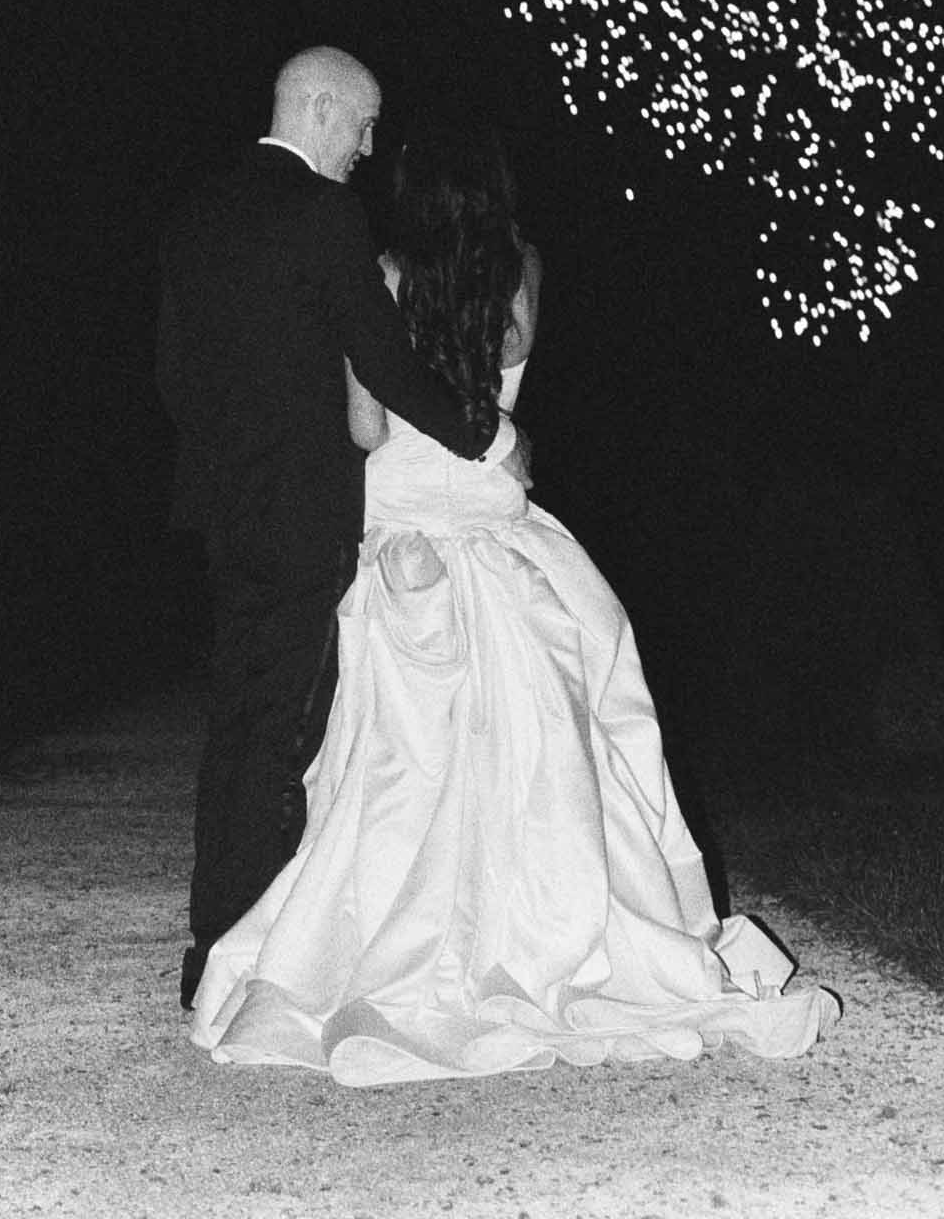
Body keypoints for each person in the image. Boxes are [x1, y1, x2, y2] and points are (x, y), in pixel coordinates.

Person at [190, 119, 841, 1082]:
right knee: (555, 736)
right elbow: (508, 378)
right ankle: (562, 937)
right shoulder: (524, 270)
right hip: (497, 516)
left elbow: (367, 424)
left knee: (401, 757)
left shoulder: (385, 270)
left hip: (406, 516)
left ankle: (372, 948)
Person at [156, 50, 494, 1011]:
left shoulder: (199, 211)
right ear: (317, 106)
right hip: (303, 514)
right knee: (286, 735)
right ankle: (252, 960)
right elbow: (382, 362)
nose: (369, 147)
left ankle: (212, 941)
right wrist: (472, 430)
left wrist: (230, 464)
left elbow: (173, 374)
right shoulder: (321, 213)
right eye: (363, 123)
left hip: (225, 511)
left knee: (236, 720)